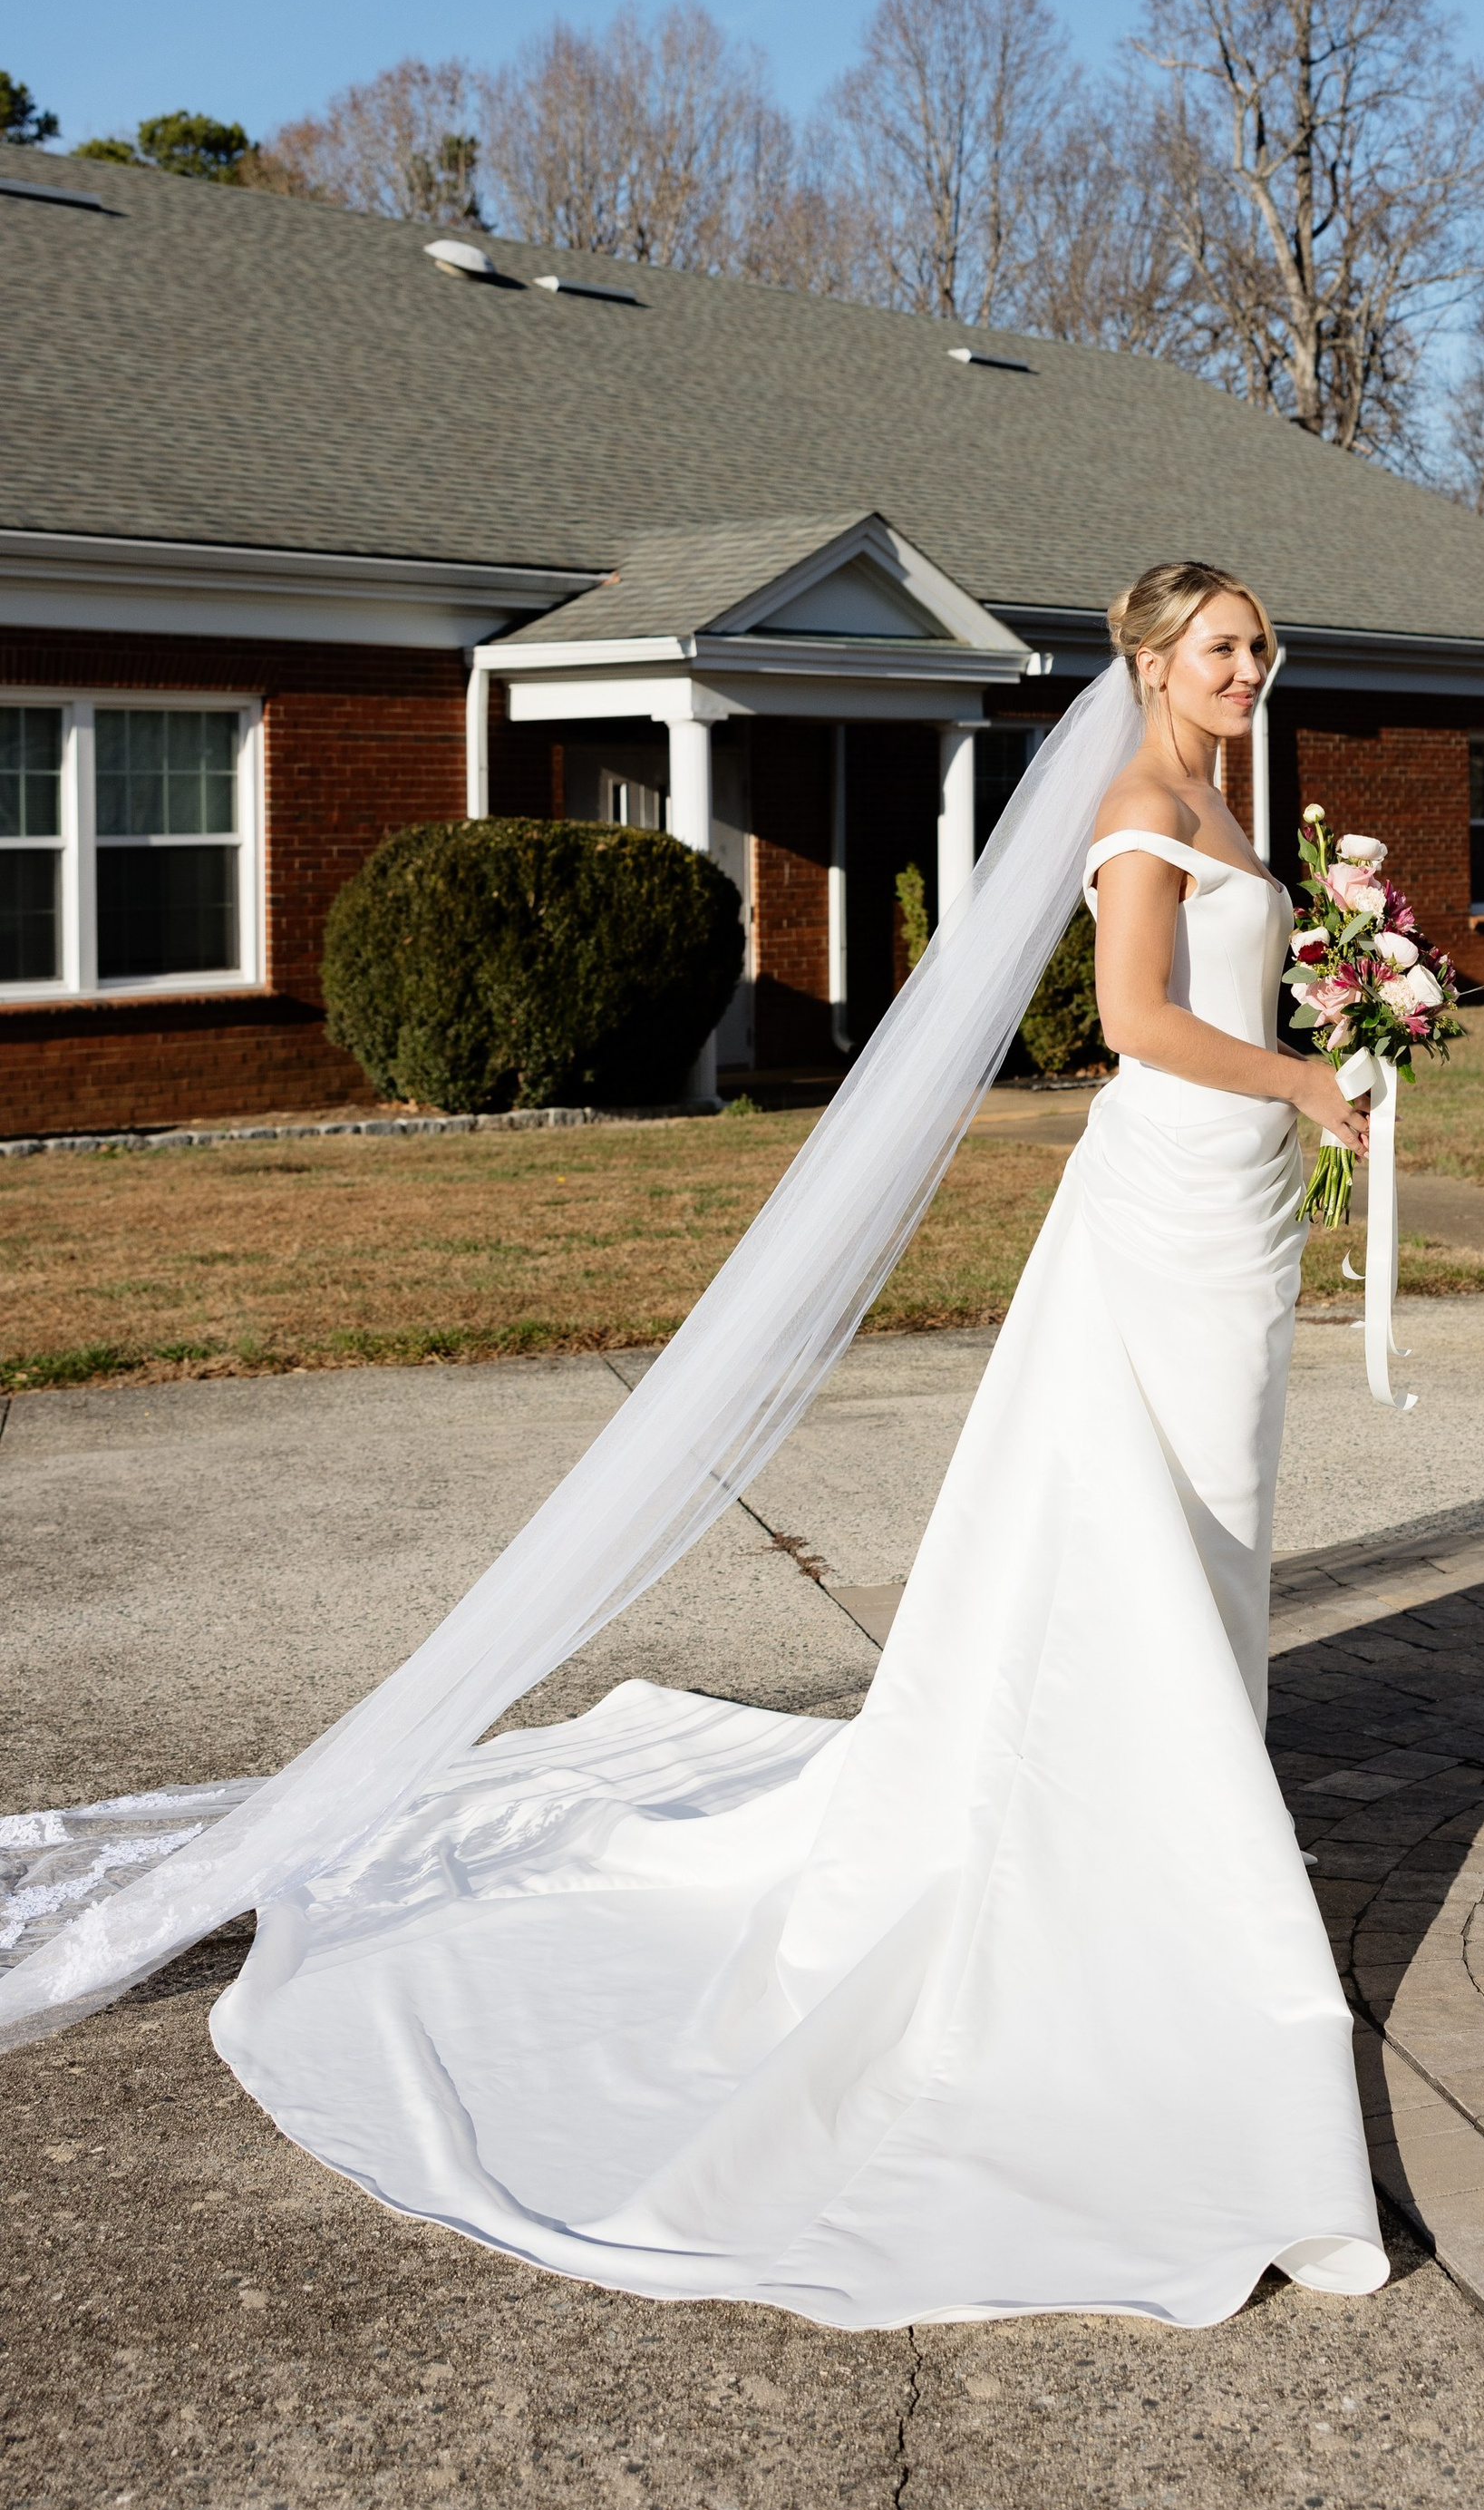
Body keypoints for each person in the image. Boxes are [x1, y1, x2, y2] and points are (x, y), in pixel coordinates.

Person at [7, 566, 1391, 2330]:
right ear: (1145, 663)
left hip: (1237, 1208)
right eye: (1219, 648)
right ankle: (1155, 1840)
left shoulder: (1227, 794)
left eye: (1259, 644)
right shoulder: (1136, 803)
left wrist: (1326, 1043)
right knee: (1144, 1506)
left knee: (1216, 1515)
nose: (1248, 668)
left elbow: (1234, 1000)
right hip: (1171, 1192)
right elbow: (1129, 1026)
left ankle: (1190, 1786)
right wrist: (1294, 1082)